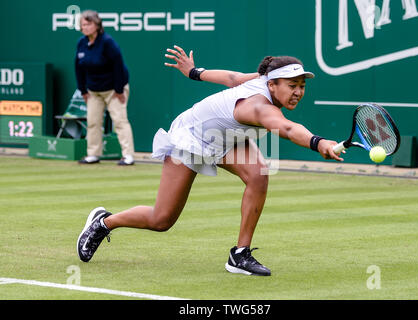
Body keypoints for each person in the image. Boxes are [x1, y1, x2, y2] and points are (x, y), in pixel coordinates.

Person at [76, 45, 344, 276]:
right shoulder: (259, 107)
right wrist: (317, 142)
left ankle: (240, 255)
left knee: (259, 173)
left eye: (301, 86)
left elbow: (231, 77)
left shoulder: (262, 79)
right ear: (271, 84)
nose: (298, 92)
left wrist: (195, 72)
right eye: (292, 86)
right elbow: (284, 128)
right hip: (191, 138)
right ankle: (103, 222)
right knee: (161, 220)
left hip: (225, 139)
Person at [75, 10, 135, 165]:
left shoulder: (107, 42)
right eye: (83, 24)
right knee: (93, 122)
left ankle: (128, 156)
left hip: (114, 90)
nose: (85, 27)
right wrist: (83, 90)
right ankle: (93, 155)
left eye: (88, 24)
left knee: (120, 122)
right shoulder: (81, 43)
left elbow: (118, 66)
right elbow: (78, 68)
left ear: (97, 25)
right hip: (94, 91)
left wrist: (119, 90)